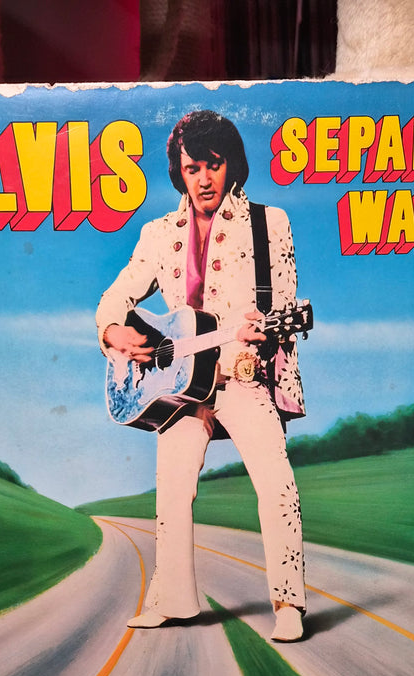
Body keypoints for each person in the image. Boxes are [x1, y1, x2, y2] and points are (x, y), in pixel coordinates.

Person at [96, 110, 306, 642]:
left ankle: (288, 603)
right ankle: (173, 600)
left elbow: (283, 304)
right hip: (178, 387)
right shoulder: (157, 234)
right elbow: (116, 297)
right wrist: (114, 333)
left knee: (277, 484)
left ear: (231, 164)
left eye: (214, 164)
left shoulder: (269, 224)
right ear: (179, 172)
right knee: (171, 490)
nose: (204, 179)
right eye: (193, 168)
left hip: (241, 375)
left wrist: (265, 332)